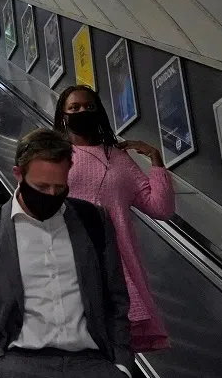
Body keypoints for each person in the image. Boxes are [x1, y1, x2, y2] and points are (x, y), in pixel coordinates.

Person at [0, 128, 133, 378]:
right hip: (22, 373)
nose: (51, 195)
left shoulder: (93, 220)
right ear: (18, 173)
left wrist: (122, 366)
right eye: (41, 187)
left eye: (59, 188)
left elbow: (116, 297)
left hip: (96, 372)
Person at [54, 85, 174, 352]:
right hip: (66, 260)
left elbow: (160, 208)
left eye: (89, 107)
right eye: (74, 108)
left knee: (114, 347)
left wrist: (156, 161)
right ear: (63, 115)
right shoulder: (54, 157)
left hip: (116, 265)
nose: (82, 112)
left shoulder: (118, 159)